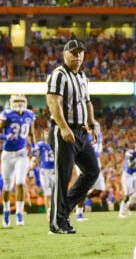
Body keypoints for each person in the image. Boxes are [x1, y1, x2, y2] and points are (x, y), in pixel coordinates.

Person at [45, 39, 100, 235]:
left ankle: (63, 211)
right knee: (63, 176)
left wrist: (92, 124)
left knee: (92, 171)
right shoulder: (59, 75)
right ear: (64, 54)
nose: (77, 56)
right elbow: (53, 102)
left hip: (81, 131)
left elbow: (87, 102)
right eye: (73, 53)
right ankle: (56, 223)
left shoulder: (83, 76)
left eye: (80, 53)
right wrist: (63, 127)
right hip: (63, 131)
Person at [0, 93, 35, 228]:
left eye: (21, 100)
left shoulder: (30, 115)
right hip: (8, 154)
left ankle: (19, 213)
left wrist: (34, 148)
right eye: (17, 101)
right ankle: (6, 210)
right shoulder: (7, 114)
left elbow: (31, 134)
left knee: (20, 182)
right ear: (11, 102)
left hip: (22, 153)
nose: (19, 103)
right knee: (8, 185)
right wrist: (5, 137)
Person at [77, 121, 106, 222]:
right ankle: (79, 214)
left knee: (100, 189)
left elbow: (98, 151)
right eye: (94, 127)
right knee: (83, 187)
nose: (97, 128)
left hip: (96, 161)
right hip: (86, 161)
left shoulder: (100, 136)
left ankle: (79, 198)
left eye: (98, 126)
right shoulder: (85, 135)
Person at [119, 139, 136, 218]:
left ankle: (130, 204)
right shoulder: (130, 153)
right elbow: (130, 165)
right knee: (127, 195)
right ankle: (121, 212)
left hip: (135, 175)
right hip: (127, 175)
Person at [32, 139, 56, 212]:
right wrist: (33, 161)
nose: (47, 133)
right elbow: (35, 155)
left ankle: (55, 211)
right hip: (44, 170)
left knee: (55, 193)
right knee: (47, 193)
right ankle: (48, 212)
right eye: (46, 131)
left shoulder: (56, 143)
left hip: (54, 170)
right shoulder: (40, 144)